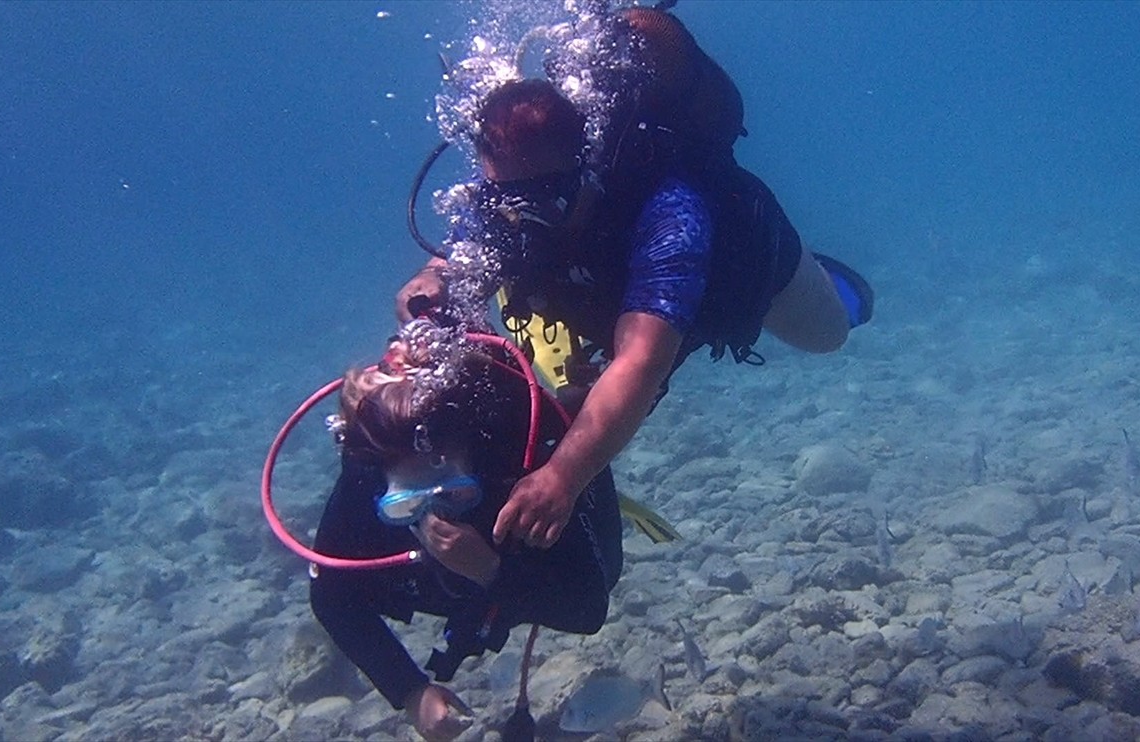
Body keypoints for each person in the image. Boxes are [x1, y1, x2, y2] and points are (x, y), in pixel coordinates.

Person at [396, 6, 872, 553]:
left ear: (580, 173)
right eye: (496, 199)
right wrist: (427, 290)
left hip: (743, 273)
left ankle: (824, 274)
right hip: (608, 296)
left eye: (529, 202)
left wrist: (563, 478)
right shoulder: (509, 201)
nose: (508, 218)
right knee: (572, 411)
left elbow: (642, 361)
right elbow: (448, 266)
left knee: (830, 335)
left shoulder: (673, 213)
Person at [309, 320, 623, 741]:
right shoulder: (367, 470)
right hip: (458, 589)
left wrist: (491, 570)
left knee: (609, 568)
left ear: (469, 460)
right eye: (406, 504)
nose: (433, 517)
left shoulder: (516, 473)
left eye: (449, 494)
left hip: (530, 555)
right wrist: (411, 692)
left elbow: (588, 609)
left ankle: (572, 409)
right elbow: (331, 595)